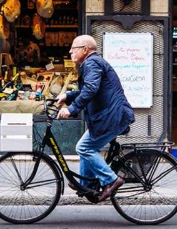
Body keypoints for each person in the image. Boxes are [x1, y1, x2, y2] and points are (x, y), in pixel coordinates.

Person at [56, 35, 135, 201]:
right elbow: (91, 90)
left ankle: (112, 180)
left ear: (85, 50)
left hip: (112, 117)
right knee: (84, 146)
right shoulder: (92, 63)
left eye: (73, 48)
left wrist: (72, 109)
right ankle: (88, 185)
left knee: (85, 148)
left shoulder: (92, 63)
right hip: (107, 117)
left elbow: (90, 89)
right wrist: (68, 96)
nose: (70, 51)